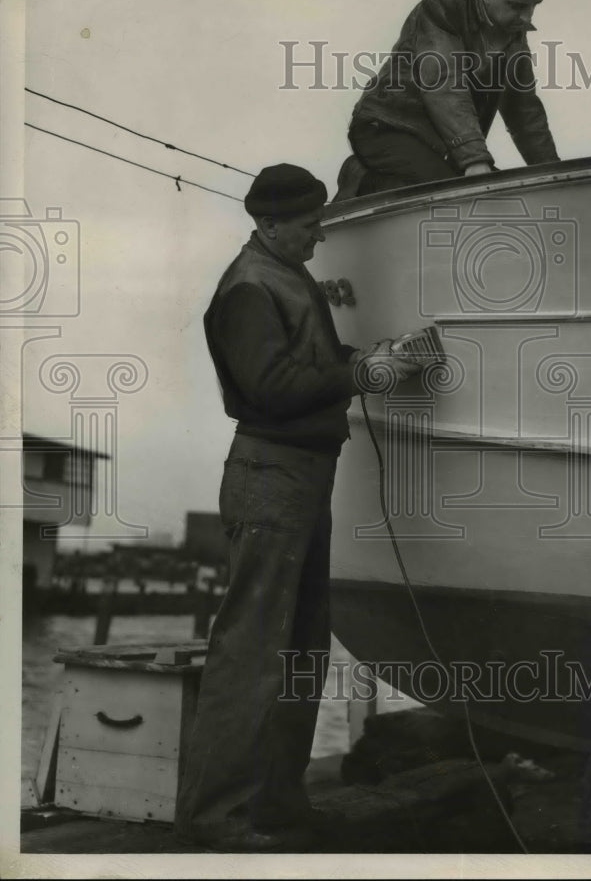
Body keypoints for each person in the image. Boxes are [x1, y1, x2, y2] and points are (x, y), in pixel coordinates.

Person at [175, 163, 420, 852]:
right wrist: (361, 373)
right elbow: (271, 387)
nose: (320, 235)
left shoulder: (286, 274)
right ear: (270, 223)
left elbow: (312, 360)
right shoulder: (250, 287)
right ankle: (212, 820)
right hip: (271, 475)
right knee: (252, 651)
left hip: (301, 474)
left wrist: (372, 357)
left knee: (302, 646)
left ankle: (278, 807)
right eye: (310, 224)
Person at [334, 0, 561, 200]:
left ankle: (386, 178)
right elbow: (444, 83)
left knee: (502, 196)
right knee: (462, 195)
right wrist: (474, 159)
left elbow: (523, 109)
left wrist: (553, 174)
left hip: (443, 147)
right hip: (387, 130)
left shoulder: (511, 30)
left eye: (535, 5)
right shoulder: (442, 7)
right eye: (516, 6)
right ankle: (363, 177)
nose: (526, 17)